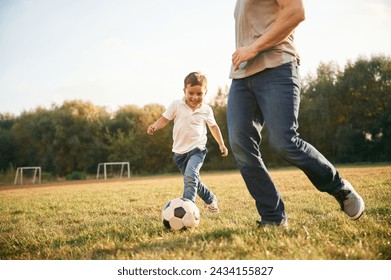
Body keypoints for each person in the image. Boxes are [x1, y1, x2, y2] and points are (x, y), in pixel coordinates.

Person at [227, 0, 364, 227]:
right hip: (242, 76)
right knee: (240, 144)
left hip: (277, 65)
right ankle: (272, 217)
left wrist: (254, 48)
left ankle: (339, 187)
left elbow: (295, 12)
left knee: (284, 141)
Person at [147, 72, 229, 212]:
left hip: (197, 150)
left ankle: (188, 209)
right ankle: (210, 199)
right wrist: (154, 125)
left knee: (191, 176)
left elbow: (213, 127)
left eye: (199, 94)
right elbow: (165, 119)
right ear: (184, 91)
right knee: (193, 179)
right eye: (191, 93)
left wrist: (221, 144)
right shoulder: (176, 105)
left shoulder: (206, 109)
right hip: (179, 153)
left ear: (205, 92)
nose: (195, 97)